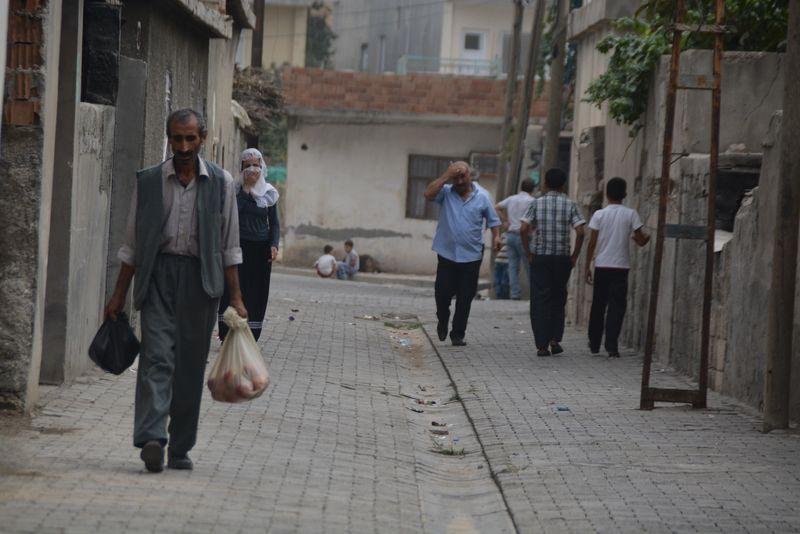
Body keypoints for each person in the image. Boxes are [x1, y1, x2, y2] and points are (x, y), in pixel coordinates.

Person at [104, 108, 247, 473]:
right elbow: (132, 244)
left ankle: (181, 447)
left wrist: (236, 299)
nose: (183, 146)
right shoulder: (149, 181)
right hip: (158, 278)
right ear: (168, 138)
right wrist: (119, 294)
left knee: (187, 368)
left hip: (201, 283)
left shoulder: (221, 183)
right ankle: (153, 437)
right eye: (176, 138)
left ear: (203, 137)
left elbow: (230, 247)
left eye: (190, 138)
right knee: (156, 359)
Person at [424, 161, 502, 346]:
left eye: (462, 176)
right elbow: (427, 194)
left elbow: (493, 221)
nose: (459, 181)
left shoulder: (483, 196)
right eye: (455, 177)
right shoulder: (446, 192)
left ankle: (458, 333)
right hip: (447, 253)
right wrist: (445, 176)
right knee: (442, 294)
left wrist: (497, 237)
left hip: (472, 255)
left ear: (469, 176)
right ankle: (443, 319)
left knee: (465, 296)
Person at [520, 168, 585, 357]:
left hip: (540, 257)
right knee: (558, 298)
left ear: (546, 184)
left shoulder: (537, 203)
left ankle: (541, 345)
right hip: (561, 259)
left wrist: (529, 253)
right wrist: (574, 256)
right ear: (563, 184)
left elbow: (523, 228)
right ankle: (555, 340)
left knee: (540, 300)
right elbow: (581, 231)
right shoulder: (570, 204)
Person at [217, 148, 280, 343]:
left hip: (260, 249)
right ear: (241, 168)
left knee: (257, 291)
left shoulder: (269, 193)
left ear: (262, 168)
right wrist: (246, 190)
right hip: (237, 246)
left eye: (256, 165)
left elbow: (274, 222)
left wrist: (274, 244)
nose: (252, 169)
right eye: (248, 166)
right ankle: (227, 331)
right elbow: (234, 213)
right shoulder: (234, 191)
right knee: (233, 288)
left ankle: (251, 335)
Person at [585, 177, 650, 358]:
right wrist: (647, 238)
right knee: (616, 306)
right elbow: (641, 239)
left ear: (606, 194)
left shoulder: (599, 215)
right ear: (625, 194)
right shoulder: (631, 214)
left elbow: (592, 243)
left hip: (602, 265)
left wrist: (587, 266)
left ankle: (594, 342)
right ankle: (612, 345)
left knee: (598, 305)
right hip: (621, 266)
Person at [494, 178, 535, 300]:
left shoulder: (511, 198)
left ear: (521, 187)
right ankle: (534, 293)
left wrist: (505, 221)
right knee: (529, 265)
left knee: (512, 265)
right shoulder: (532, 201)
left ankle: (515, 294)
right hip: (524, 236)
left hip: (510, 234)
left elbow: (496, 207)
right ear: (532, 189)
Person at [493, 227, 510, 299]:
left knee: (504, 280)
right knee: (498, 280)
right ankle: (498, 296)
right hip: (499, 260)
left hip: (506, 261)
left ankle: (503, 296)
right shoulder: (503, 235)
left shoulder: (512, 236)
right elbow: (497, 248)